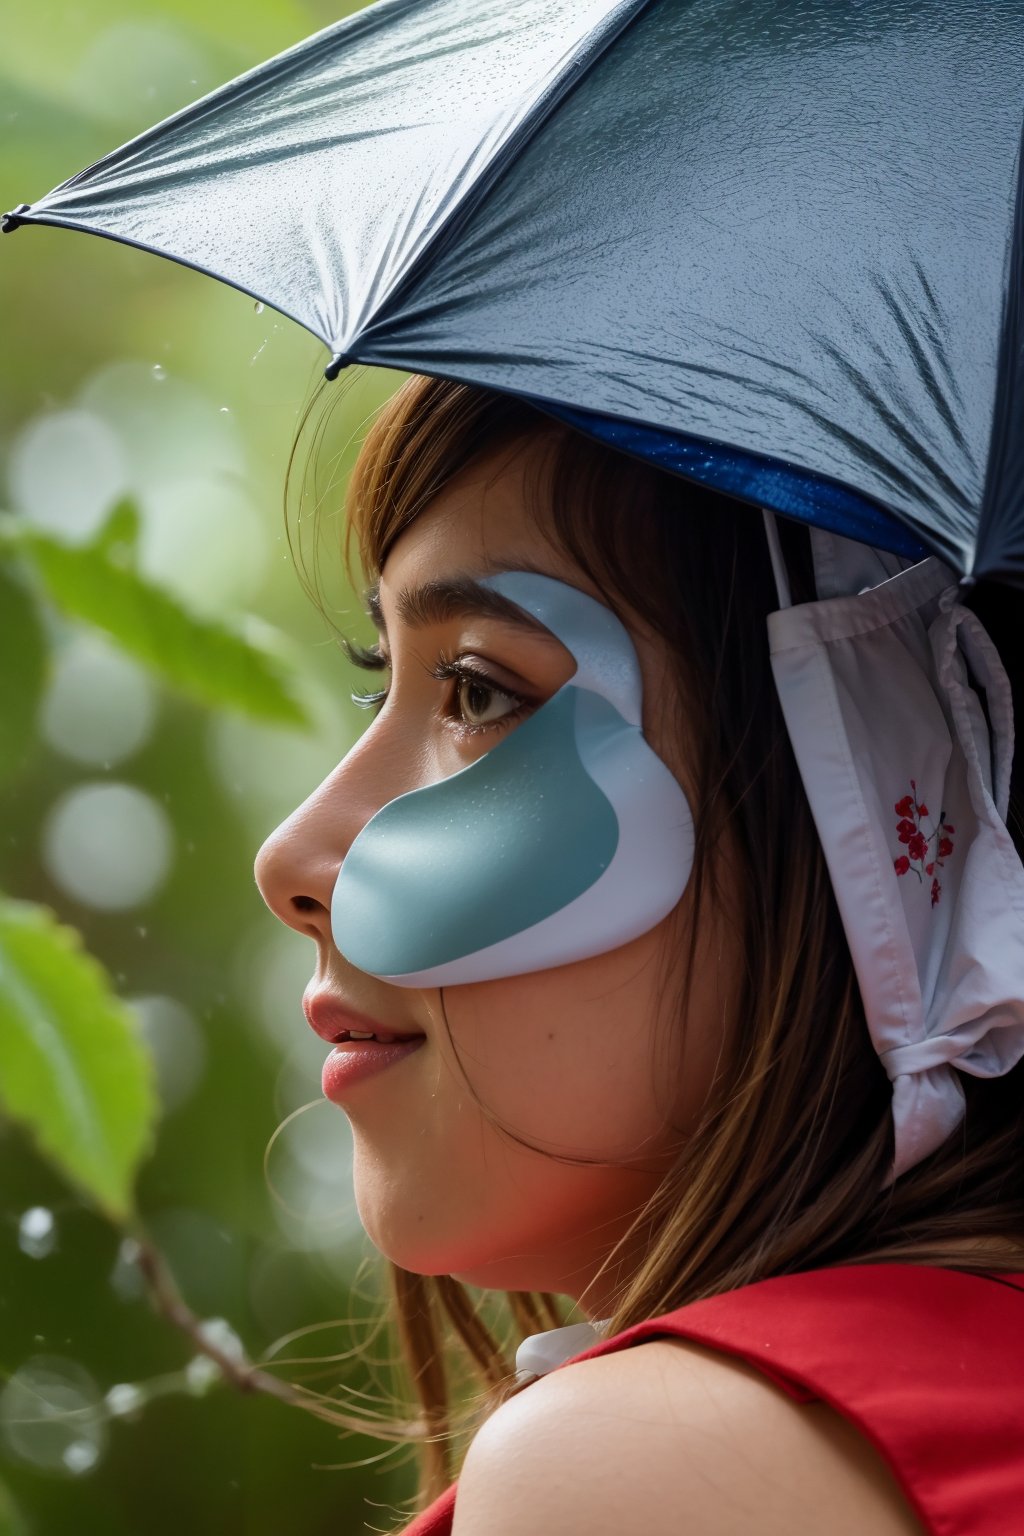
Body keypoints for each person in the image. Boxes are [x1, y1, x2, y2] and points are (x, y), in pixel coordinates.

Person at [254, 374, 1024, 1536]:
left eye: (476, 690)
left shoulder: (647, 1470)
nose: (293, 860)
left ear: (885, 804)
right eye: (380, 680)